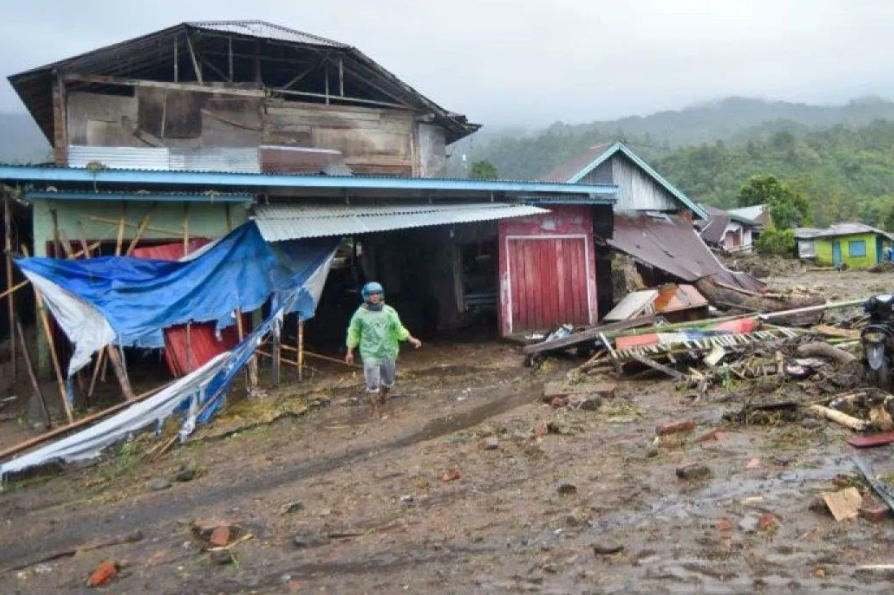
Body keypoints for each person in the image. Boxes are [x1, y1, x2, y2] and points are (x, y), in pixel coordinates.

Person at [345, 282, 421, 413]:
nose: (375, 296)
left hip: (388, 350)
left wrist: (411, 339)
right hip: (369, 352)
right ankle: (375, 410)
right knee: (372, 383)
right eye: (371, 294)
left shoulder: (389, 311)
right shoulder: (360, 314)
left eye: (377, 294)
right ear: (366, 296)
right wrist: (350, 351)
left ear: (381, 295)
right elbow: (353, 333)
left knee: (389, 381)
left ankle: (383, 396)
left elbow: (398, 328)